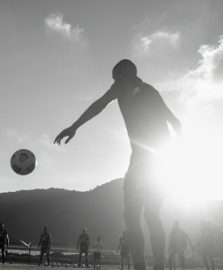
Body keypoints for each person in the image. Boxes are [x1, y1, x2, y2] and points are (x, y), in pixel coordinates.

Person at [55, 59, 182, 270]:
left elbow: (175, 123)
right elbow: (100, 105)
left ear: (126, 77)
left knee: (137, 215)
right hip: (152, 161)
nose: (112, 85)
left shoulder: (149, 92)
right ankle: (150, 266)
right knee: (147, 215)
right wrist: (74, 126)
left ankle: (151, 266)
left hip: (153, 161)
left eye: (115, 80)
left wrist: (177, 160)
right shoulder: (133, 91)